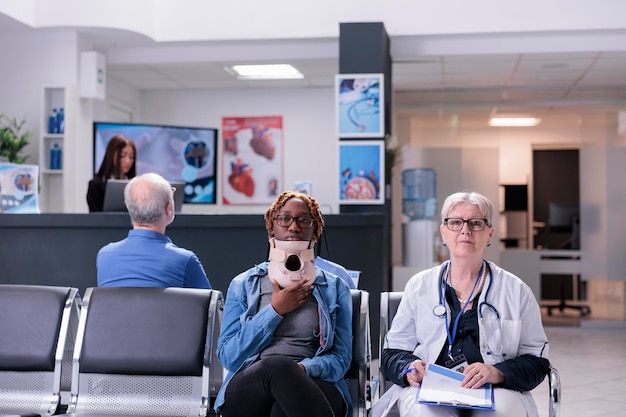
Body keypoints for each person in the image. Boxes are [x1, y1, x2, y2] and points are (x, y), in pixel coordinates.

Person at [373, 191, 550, 417]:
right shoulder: (419, 286)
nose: (465, 230)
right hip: (430, 389)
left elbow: (537, 361)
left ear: (489, 234)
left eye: (476, 223)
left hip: (496, 389)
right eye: (455, 222)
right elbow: (393, 352)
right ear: (443, 233)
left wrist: (497, 372)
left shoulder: (516, 291)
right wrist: (409, 369)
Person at [215, 190, 353, 417]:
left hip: (316, 382)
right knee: (277, 366)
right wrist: (274, 311)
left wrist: (302, 369)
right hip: (252, 384)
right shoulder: (244, 284)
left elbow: (341, 359)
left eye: (304, 220)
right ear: (271, 227)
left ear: (315, 231)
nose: (294, 226)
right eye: (284, 218)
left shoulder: (335, 287)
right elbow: (228, 356)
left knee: (282, 407)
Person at [96, 172, 211, 289]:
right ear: (169, 209)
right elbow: (210, 305)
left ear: (129, 208)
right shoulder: (185, 261)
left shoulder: (105, 256)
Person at [87, 134, 137, 212]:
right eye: (122, 156)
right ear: (111, 155)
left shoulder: (136, 185)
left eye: (131, 157)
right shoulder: (96, 185)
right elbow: (95, 217)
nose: (128, 161)